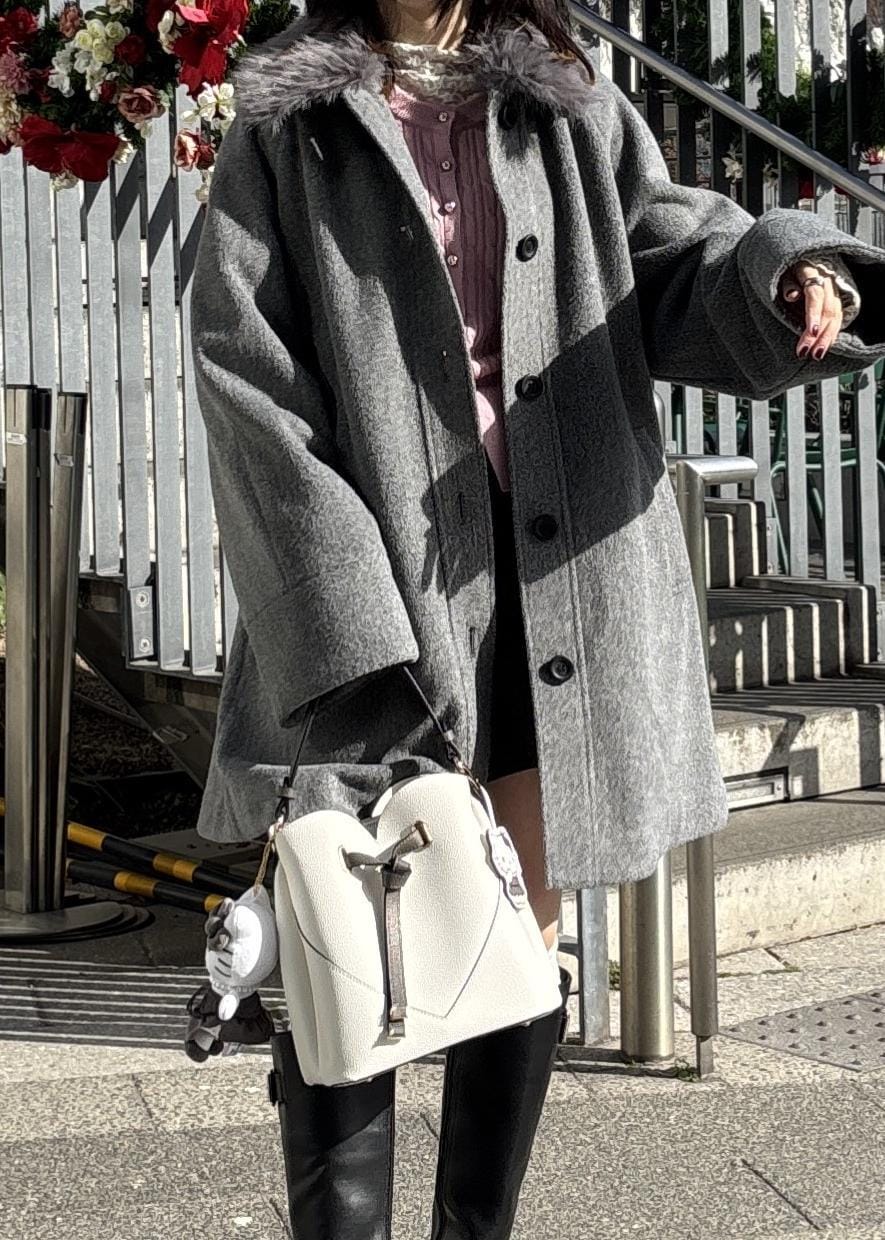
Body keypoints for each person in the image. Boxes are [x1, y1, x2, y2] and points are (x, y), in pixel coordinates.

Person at [189, 1, 885, 1234]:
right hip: (374, 597)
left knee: (514, 939)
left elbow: (670, 258)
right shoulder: (288, 125)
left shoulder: (565, 98)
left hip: (556, 587)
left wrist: (784, 275)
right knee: (340, 935)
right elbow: (247, 372)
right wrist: (345, 607)